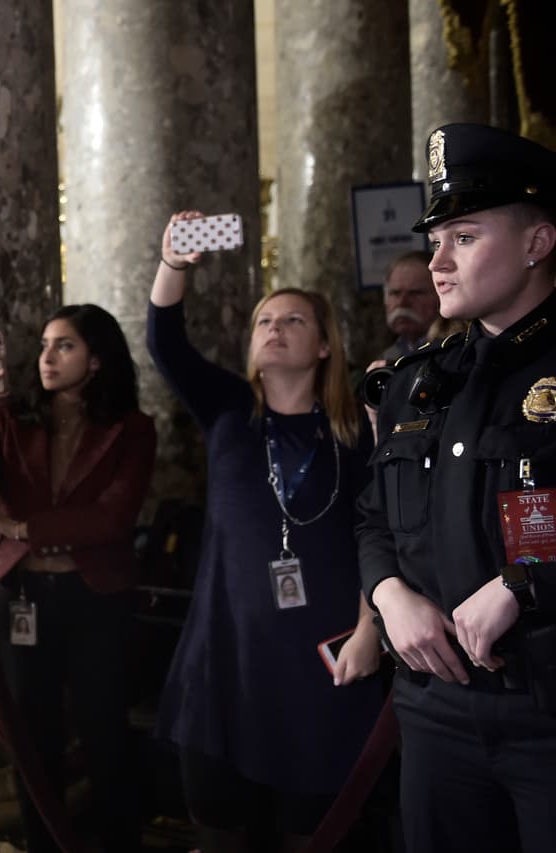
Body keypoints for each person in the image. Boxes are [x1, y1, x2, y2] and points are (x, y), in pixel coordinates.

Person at [149, 212, 384, 853]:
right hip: (228, 656)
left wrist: (371, 631)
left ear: (325, 346)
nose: (274, 330)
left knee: (314, 829)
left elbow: (380, 535)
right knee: (221, 823)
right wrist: (174, 263)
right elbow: (165, 342)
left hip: (323, 659)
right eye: (263, 322)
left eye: (293, 321)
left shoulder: (357, 432)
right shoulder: (227, 409)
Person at [357, 123, 556, 852]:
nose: (437, 261)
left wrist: (524, 582)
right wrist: (387, 594)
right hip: (437, 712)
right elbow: (373, 517)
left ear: (538, 243)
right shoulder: (418, 382)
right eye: (436, 239)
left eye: (463, 237)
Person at [0, 303, 157, 853]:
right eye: (43, 345)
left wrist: (22, 526)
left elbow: (112, 518)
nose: (47, 357)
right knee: (32, 741)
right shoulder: (9, 417)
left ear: (97, 359)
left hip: (95, 597)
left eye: (64, 345)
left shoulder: (131, 429)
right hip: (24, 594)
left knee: (104, 734)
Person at [379, 251, 439, 361]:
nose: (402, 302)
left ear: (440, 296)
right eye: (395, 293)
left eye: (415, 293)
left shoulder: (454, 355)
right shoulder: (389, 356)